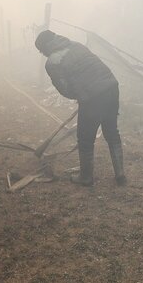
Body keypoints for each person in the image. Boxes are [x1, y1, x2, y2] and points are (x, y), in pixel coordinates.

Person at [34, 30, 125, 186]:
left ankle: (86, 177)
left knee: (85, 139)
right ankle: (120, 174)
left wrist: (80, 96)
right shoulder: (76, 45)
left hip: (93, 97)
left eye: (41, 51)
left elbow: (64, 89)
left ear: (45, 47)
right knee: (112, 133)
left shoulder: (53, 62)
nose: (43, 54)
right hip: (111, 87)